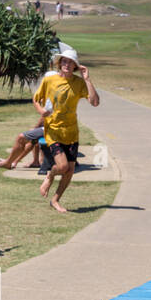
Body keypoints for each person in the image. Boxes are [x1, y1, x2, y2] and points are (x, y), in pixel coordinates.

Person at [34, 44, 99, 213]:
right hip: (53, 131)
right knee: (62, 167)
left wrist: (87, 79)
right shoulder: (50, 80)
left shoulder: (78, 83)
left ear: (75, 66)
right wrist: (41, 111)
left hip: (71, 133)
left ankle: (55, 200)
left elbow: (95, 102)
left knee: (69, 171)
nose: (67, 64)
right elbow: (36, 98)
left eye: (71, 62)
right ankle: (50, 175)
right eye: (64, 61)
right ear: (59, 63)